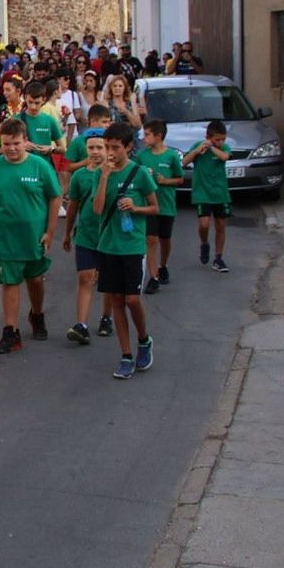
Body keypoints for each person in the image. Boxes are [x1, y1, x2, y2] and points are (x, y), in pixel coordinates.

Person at [0, 118, 60, 352]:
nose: (11, 148)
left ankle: (37, 314)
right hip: (5, 238)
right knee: (10, 282)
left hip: (34, 237)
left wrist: (50, 232)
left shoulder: (39, 166)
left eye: (16, 143)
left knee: (35, 279)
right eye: (6, 144)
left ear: (26, 142)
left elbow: (55, 198)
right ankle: (10, 331)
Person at [92, 122, 158, 379]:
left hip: (131, 245)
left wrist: (136, 207)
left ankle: (144, 339)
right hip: (108, 245)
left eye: (115, 148)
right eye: (107, 147)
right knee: (116, 300)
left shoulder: (140, 173)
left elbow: (155, 207)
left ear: (129, 147)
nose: (110, 152)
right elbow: (97, 209)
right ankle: (126, 354)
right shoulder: (101, 173)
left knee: (132, 299)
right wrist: (105, 176)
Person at [61, 133, 111, 344]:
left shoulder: (115, 174)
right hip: (85, 234)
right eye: (91, 148)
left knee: (108, 280)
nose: (95, 152)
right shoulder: (80, 176)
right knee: (85, 278)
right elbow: (73, 206)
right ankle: (81, 324)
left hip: (109, 235)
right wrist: (67, 232)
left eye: (100, 147)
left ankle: (106, 317)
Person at [135, 119, 185, 294]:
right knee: (151, 239)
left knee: (165, 239)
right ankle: (153, 276)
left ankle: (163, 265)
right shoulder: (142, 156)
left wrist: (165, 181)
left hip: (166, 204)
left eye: (147, 134)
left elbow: (180, 178)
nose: (143, 137)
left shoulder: (171, 156)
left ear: (158, 136)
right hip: (149, 205)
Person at [183, 119, 232, 272]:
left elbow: (225, 157)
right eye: (217, 139)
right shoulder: (198, 146)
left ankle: (218, 258)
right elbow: (184, 162)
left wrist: (212, 148)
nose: (221, 142)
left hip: (220, 193)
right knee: (204, 224)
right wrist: (198, 151)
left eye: (223, 139)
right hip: (202, 193)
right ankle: (204, 243)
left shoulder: (223, 148)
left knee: (220, 226)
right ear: (208, 137)